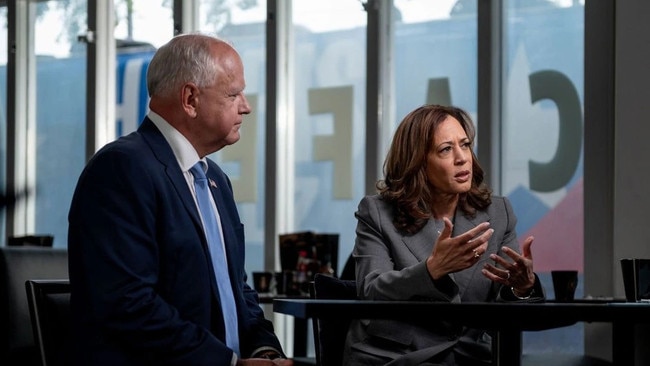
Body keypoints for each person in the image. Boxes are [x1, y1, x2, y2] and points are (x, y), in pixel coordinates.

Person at [68, 33, 293, 366]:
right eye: (234, 94)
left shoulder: (215, 179)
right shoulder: (121, 169)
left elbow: (236, 288)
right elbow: (128, 302)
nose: (245, 106)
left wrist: (264, 350)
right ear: (190, 98)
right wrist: (227, 363)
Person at [342, 104, 545, 366]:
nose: (462, 158)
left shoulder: (498, 212)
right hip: (398, 357)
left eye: (465, 145)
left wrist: (521, 288)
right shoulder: (377, 213)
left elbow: (506, 311)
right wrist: (430, 270)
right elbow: (371, 292)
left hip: (472, 357)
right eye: (446, 149)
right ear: (417, 162)